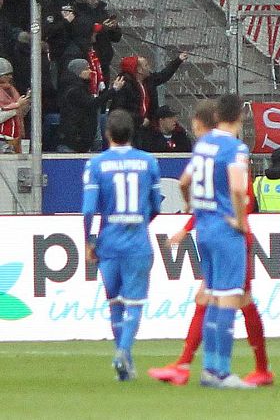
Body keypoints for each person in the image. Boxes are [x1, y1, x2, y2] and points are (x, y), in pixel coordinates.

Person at [177, 94, 253, 389]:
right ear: (240, 116)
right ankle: (220, 371)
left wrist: (190, 205)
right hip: (225, 230)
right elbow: (237, 187)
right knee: (228, 298)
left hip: (204, 230)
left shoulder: (203, 144)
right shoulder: (236, 148)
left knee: (211, 296)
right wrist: (239, 218)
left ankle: (210, 369)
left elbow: (184, 182)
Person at [83, 109, 162, 381]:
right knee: (135, 302)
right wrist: (139, 222)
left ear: (107, 134)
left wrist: (90, 241)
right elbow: (156, 206)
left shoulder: (96, 165)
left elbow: (89, 211)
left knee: (115, 302)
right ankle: (123, 353)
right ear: (132, 132)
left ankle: (123, 361)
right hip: (137, 242)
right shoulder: (148, 162)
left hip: (109, 244)